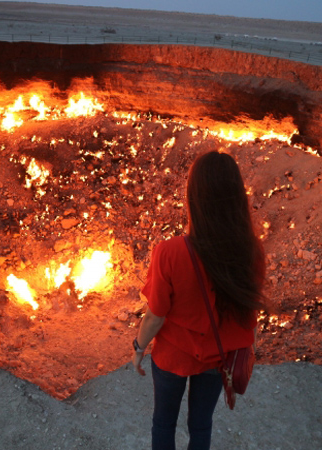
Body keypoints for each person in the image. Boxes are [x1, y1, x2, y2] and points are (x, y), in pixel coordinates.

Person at [132, 150, 267, 450]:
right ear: (236, 198)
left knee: (164, 423)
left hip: (172, 357)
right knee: (201, 425)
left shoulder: (170, 252)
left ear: (194, 198)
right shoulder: (252, 252)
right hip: (218, 358)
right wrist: (250, 349)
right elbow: (250, 311)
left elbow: (156, 315)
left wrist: (139, 348)